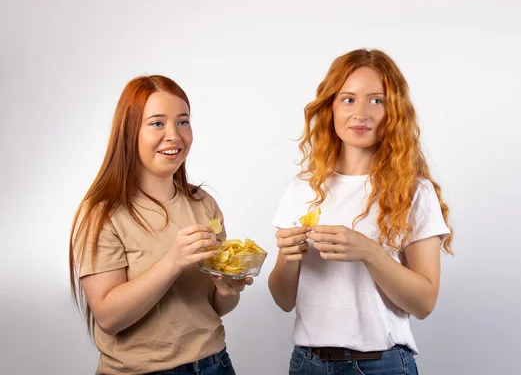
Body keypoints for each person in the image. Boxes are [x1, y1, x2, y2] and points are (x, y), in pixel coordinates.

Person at [268, 49, 453, 375]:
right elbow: (283, 300)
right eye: (348, 99)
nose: (361, 113)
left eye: (376, 100)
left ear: (394, 111)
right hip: (307, 364)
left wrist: (368, 252)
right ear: (331, 108)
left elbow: (424, 303)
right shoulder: (301, 189)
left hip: (382, 365)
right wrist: (288, 257)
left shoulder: (414, 192)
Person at [69, 75, 251, 375]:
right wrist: (173, 262)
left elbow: (216, 308)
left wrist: (229, 288)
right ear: (129, 133)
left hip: (214, 364)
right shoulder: (102, 213)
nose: (174, 136)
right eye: (157, 123)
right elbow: (108, 318)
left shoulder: (203, 203)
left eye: (183, 121)